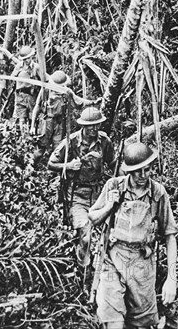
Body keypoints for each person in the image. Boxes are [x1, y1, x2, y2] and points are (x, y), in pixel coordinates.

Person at [88, 141, 177, 329]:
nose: (143, 175)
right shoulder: (114, 186)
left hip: (142, 264)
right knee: (111, 320)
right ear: (128, 170)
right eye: (138, 171)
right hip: (113, 258)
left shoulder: (158, 193)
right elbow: (92, 217)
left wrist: (171, 278)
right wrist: (109, 206)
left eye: (147, 170)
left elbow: (170, 235)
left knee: (142, 322)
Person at [47, 107, 116, 267]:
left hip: (98, 194)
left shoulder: (104, 142)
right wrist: (69, 165)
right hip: (77, 194)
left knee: (107, 234)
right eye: (90, 125)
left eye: (97, 125)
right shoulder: (70, 142)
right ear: (83, 126)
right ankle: (82, 268)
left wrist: (124, 180)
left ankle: (99, 268)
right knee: (85, 235)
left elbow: (112, 164)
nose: (94, 129)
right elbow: (51, 164)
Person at [40, 70, 99, 154]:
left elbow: (79, 101)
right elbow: (37, 107)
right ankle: (31, 164)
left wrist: (93, 102)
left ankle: (53, 163)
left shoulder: (67, 92)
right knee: (41, 145)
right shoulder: (46, 90)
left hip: (60, 123)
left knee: (58, 147)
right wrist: (32, 126)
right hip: (47, 121)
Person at [11, 45, 41, 135]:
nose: (26, 61)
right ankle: (23, 136)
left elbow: (44, 80)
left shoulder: (36, 67)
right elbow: (12, 77)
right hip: (20, 95)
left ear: (32, 57)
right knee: (21, 117)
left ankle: (32, 133)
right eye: (24, 59)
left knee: (33, 116)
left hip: (31, 95)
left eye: (28, 58)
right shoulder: (18, 66)